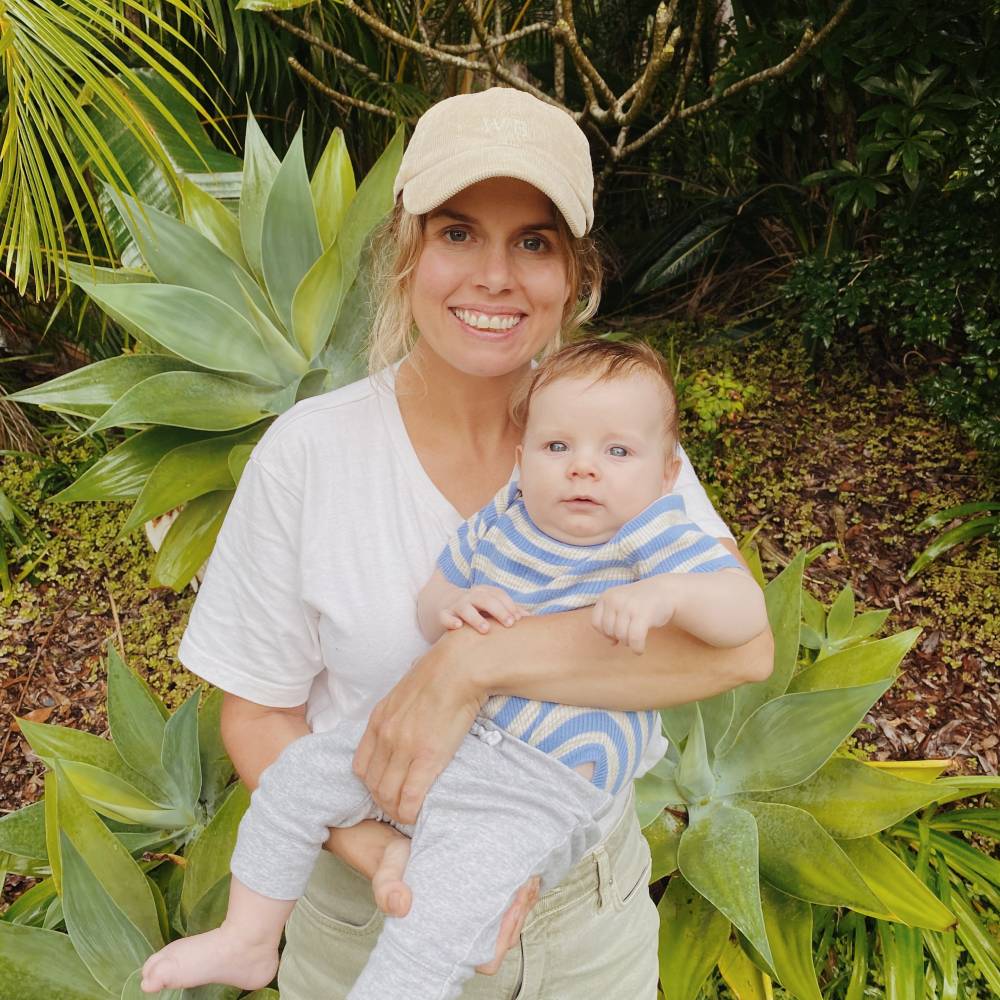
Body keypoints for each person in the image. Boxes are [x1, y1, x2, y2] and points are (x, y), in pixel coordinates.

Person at [161, 86, 774, 1000]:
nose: (495, 275)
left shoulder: (618, 449)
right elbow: (257, 712)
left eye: (533, 241)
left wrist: (467, 669)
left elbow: (740, 650)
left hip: (584, 927)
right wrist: (391, 865)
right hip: (362, 923)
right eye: (456, 233)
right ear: (402, 255)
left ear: (576, 273)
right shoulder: (312, 453)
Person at [138, 339, 768, 998]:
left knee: (438, 913)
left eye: (616, 452)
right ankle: (248, 938)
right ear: (521, 461)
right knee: (296, 779)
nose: (585, 468)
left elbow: (744, 621)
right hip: (424, 757)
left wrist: (669, 594)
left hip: (537, 786)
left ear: (668, 476)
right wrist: (452, 607)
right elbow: (432, 598)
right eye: (558, 449)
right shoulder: (507, 517)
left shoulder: (654, 532)